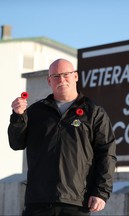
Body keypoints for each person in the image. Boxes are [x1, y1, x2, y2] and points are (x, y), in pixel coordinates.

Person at [8, 58, 117, 216]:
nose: (62, 80)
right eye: (56, 76)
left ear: (75, 77)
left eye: (66, 74)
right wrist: (18, 117)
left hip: (76, 201)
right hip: (38, 201)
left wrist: (100, 192)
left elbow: (106, 154)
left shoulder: (93, 113)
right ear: (49, 81)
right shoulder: (35, 112)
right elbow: (16, 143)